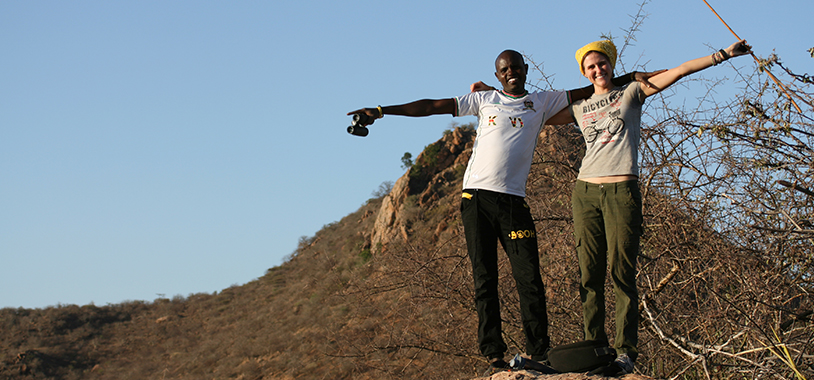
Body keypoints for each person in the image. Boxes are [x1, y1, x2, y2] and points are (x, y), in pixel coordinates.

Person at [348, 49, 654, 374]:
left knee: (530, 279)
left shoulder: (541, 101)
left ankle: (540, 351)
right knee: (485, 278)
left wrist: (627, 78)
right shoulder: (483, 100)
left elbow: (590, 89)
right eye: (504, 69)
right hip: (476, 199)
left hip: (513, 203)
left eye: (515, 67)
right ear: (498, 76)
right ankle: (494, 354)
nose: (511, 72)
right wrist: (380, 111)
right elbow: (432, 106)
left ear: (525, 69)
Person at [542, 38, 752, 374]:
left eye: (602, 64)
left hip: (622, 190)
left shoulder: (632, 93)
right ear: (584, 72)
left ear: (612, 63)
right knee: (589, 275)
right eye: (591, 67)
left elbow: (680, 71)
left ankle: (625, 351)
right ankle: (594, 349)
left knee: (622, 273)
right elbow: (539, 114)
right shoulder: (580, 107)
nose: (598, 70)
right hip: (585, 193)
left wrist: (723, 55)